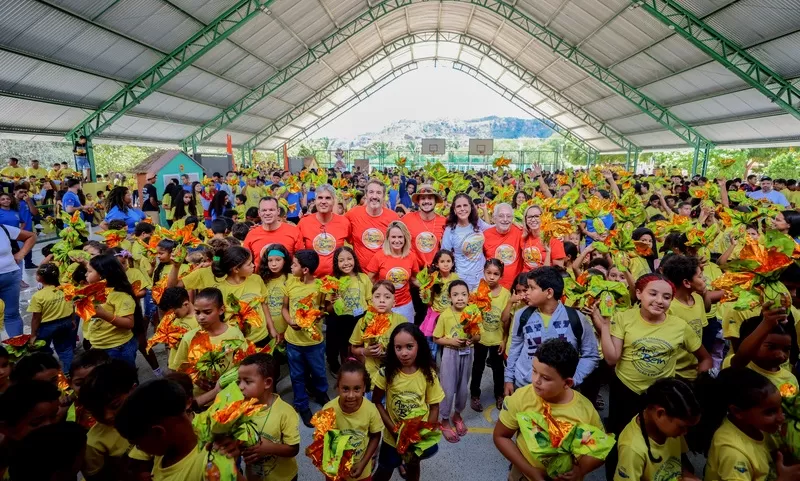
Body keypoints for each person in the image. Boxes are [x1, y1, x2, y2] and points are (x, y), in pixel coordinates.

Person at [592, 273, 712, 442]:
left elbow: (705, 358)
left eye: (666, 297)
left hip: (662, 396)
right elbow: (612, 358)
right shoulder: (623, 318)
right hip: (626, 390)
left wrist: (699, 381)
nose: (660, 301)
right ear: (639, 293)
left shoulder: (680, 326)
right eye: (653, 294)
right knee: (620, 439)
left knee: (659, 440)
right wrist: (605, 325)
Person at [494, 339, 606, 481]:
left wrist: (581, 469)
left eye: (545, 378)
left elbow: (600, 450)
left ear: (567, 383)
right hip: (524, 474)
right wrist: (529, 470)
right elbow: (501, 436)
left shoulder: (585, 410)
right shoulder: (522, 398)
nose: (535, 380)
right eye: (534, 371)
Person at [505, 267, 600, 394]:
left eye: (532, 288)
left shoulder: (576, 318)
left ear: (549, 293)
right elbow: (515, 347)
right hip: (525, 386)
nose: (527, 292)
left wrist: (574, 380)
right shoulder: (522, 316)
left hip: (560, 392)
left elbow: (591, 355)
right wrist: (509, 378)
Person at [372, 324, 444, 481]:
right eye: (398, 348)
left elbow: (434, 407)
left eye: (409, 346)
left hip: (416, 439)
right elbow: (376, 402)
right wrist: (394, 430)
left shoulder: (428, 374)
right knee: (384, 469)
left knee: (413, 468)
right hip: (392, 438)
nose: (404, 353)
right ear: (393, 349)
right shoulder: (386, 373)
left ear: (419, 345)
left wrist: (424, 434)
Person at [704, 367, 799, 481]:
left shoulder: (761, 426)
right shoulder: (733, 453)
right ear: (737, 412)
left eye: (781, 408)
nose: (781, 418)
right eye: (770, 412)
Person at [114, 379, 215, 481]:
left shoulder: (209, 465)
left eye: (138, 445)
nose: (139, 449)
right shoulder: (164, 454)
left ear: (157, 432)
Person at [615, 378, 701, 481]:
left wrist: (687, 475)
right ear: (660, 414)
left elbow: (679, 459)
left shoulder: (672, 430)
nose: (685, 432)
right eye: (682, 426)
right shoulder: (632, 449)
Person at [171, 288, 245, 405]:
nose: (201, 317)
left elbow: (244, 363)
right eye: (197, 312)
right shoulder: (189, 338)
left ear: (221, 310)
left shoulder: (235, 334)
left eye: (207, 312)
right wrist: (195, 379)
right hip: (201, 400)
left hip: (230, 398)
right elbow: (180, 369)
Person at [281, 249, 327, 427]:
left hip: (314, 341)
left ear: (305, 269)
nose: (291, 267)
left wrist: (314, 316)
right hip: (293, 341)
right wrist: (290, 321)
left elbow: (324, 308)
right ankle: (302, 404)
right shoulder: (290, 283)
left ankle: (321, 393)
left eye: (294, 264)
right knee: (297, 375)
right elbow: (284, 307)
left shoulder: (320, 286)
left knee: (318, 371)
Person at [238, 353, 301, 480]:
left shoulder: (285, 413)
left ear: (267, 383)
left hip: (284, 477)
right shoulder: (238, 410)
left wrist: (268, 448)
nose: (240, 387)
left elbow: (293, 449)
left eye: (247, 381)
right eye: (239, 381)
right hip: (254, 476)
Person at [433, 280, 479, 443]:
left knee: (462, 388)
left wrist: (472, 339)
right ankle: (444, 420)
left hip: (467, 353)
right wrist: (452, 342)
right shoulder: (445, 315)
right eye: (456, 294)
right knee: (447, 387)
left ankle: (457, 414)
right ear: (450, 297)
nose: (460, 298)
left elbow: (478, 336)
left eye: (464, 294)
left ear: (469, 296)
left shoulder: (472, 312)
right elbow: (436, 338)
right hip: (450, 354)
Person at [322, 360, 383, 481]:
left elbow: (376, 436)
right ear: (337, 387)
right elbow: (324, 440)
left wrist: (364, 463)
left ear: (364, 388)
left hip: (361, 468)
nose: (351, 395)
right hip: (335, 468)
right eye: (345, 389)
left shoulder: (371, 410)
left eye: (356, 389)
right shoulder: (328, 410)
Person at [79, 360, 139, 481]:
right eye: (96, 411)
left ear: (133, 390)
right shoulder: (93, 443)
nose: (107, 416)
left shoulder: (150, 410)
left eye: (115, 405)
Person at [84, 255, 140, 365]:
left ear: (102, 275)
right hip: (99, 345)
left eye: (89, 271)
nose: (86, 274)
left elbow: (129, 323)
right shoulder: (96, 292)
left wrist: (103, 314)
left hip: (117, 347)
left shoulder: (120, 295)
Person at [471, 259, 510, 412]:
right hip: (481, 338)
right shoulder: (477, 292)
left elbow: (507, 320)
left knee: (498, 369)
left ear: (501, 276)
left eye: (496, 274)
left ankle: (499, 394)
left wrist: (504, 340)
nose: (492, 277)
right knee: (477, 367)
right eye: (489, 273)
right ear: (484, 272)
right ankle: (474, 394)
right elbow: (472, 315)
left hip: (497, 339)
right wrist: (474, 335)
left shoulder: (506, 294)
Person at [349, 281, 407, 382]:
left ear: (394, 302)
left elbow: (409, 346)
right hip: (372, 376)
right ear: (371, 301)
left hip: (397, 375)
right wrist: (365, 351)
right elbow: (354, 348)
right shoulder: (363, 322)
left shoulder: (401, 321)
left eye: (387, 297)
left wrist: (391, 352)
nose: (382, 300)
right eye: (377, 296)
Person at [326, 246, 371, 373]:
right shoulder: (334, 282)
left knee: (359, 348)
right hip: (342, 321)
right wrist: (333, 302)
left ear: (355, 260)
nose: (346, 263)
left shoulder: (363, 278)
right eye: (341, 260)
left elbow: (370, 300)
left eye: (349, 259)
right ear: (336, 263)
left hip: (361, 318)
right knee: (345, 350)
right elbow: (328, 309)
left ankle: (362, 374)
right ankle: (347, 373)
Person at [366, 221, 420, 323]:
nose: (397, 240)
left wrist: (427, 288)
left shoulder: (411, 256)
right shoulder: (379, 256)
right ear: (388, 238)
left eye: (400, 237)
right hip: (384, 305)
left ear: (405, 238)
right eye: (393, 237)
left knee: (406, 336)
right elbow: (369, 280)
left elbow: (414, 278)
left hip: (405, 305)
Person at [27, 263, 75, 373]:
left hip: (47, 326)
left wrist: (33, 335)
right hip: (66, 322)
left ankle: (48, 372)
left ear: (39, 278)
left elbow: (36, 318)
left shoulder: (38, 296)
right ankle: (69, 373)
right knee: (66, 349)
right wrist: (72, 319)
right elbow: (72, 305)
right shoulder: (66, 288)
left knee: (43, 351)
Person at [297, 184, 350, 277]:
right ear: (315, 200)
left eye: (328, 198)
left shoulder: (344, 222)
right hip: (311, 280)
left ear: (334, 201)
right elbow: (298, 252)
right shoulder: (304, 222)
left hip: (338, 279)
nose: (323, 201)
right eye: (320, 198)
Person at [345, 179, 399, 267]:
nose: (374, 196)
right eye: (371, 192)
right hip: (360, 274)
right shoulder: (353, 214)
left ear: (383, 196)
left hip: (384, 273)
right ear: (366, 195)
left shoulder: (393, 218)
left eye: (378, 193)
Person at [441, 193, 490, 291]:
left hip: (481, 276)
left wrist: (511, 222)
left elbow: (492, 230)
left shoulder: (477, 222)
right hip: (462, 279)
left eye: (465, 205)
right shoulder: (450, 230)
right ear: (454, 210)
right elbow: (444, 256)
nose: (462, 209)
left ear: (471, 207)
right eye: (458, 206)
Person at [244, 197, 302, 270]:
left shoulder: (294, 232)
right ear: (259, 213)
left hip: (287, 280)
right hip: (260, 279)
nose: (267, 213)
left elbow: (300, 261)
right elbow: (245, 263)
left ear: (278, 211)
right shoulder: (251, 235)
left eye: (271, 210)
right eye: (264, 210)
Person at [0, 220, 35, 336]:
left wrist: (21, 253)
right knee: (12, 315)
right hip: (10, 274)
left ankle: (16, 348)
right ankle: (18, 349)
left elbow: (31, 236)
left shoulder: (3, 228)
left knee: (12, 314)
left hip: (9, 277)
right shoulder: (3, 228)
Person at [402, 184, 446, 266]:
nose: (426, 201)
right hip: (413, 271)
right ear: (418, 201)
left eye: (430, 198)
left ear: (435, 201)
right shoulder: (407, 219)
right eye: (423, 198)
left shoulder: (444, 222)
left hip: (435, 271)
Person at [258, 243, 292, 349]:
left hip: (288, 329)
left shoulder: (291, 279)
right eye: (270, 260)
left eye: (278, 260)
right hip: (267, 329)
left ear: (285, 261)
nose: (273, 264)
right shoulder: (261, 280)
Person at [482, 203, 522, 289]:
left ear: (512, 219)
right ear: (494, 218)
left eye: (508, 216)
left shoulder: (520, 233)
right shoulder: (485, 235)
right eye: (501, 216)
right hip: (492, 288)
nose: (505, 219)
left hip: (515, 288)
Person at [520, 204, 566, 270]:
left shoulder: (554, 239)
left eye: (536, 216)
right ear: (525, 220)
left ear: (543, 218)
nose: (533, 220)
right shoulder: (524, 237)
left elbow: (559, 270)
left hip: (545, 278)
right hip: (525, 278)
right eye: (529, 217)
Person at [13, 183, 38, 269]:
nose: (23, 194)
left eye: (25, 192)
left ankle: (28, 263)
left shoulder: (27, 200)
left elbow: (34, 213)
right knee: (17, 249)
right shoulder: (11, 202)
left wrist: (29, 201)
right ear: (14, 192)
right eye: (21, 192)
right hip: (17, 230)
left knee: (28, 247)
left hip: (28, 228)